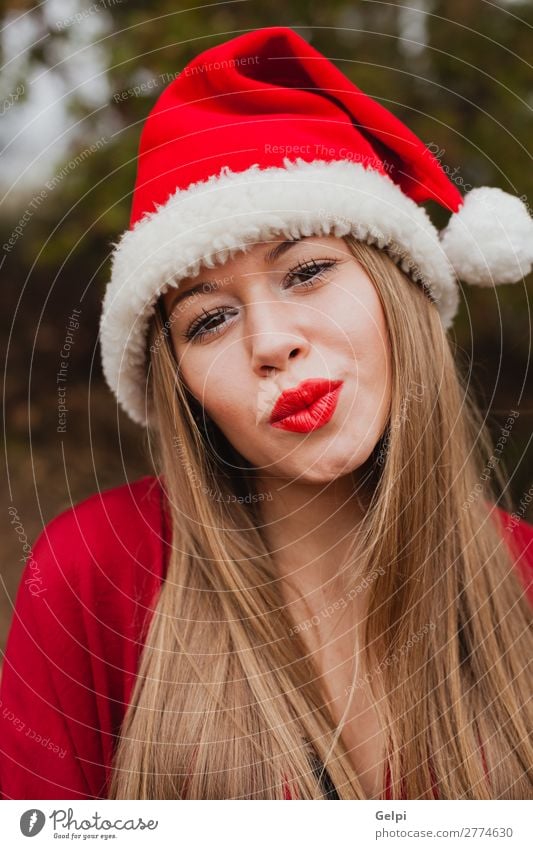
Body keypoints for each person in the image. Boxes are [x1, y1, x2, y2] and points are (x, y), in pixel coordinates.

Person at [1, 25, 533, 802]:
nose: (272, 342)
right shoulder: (89, 576)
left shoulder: (522, 577)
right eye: (208, 320)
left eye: (308, 271)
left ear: (400, 291)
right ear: (178, 382)